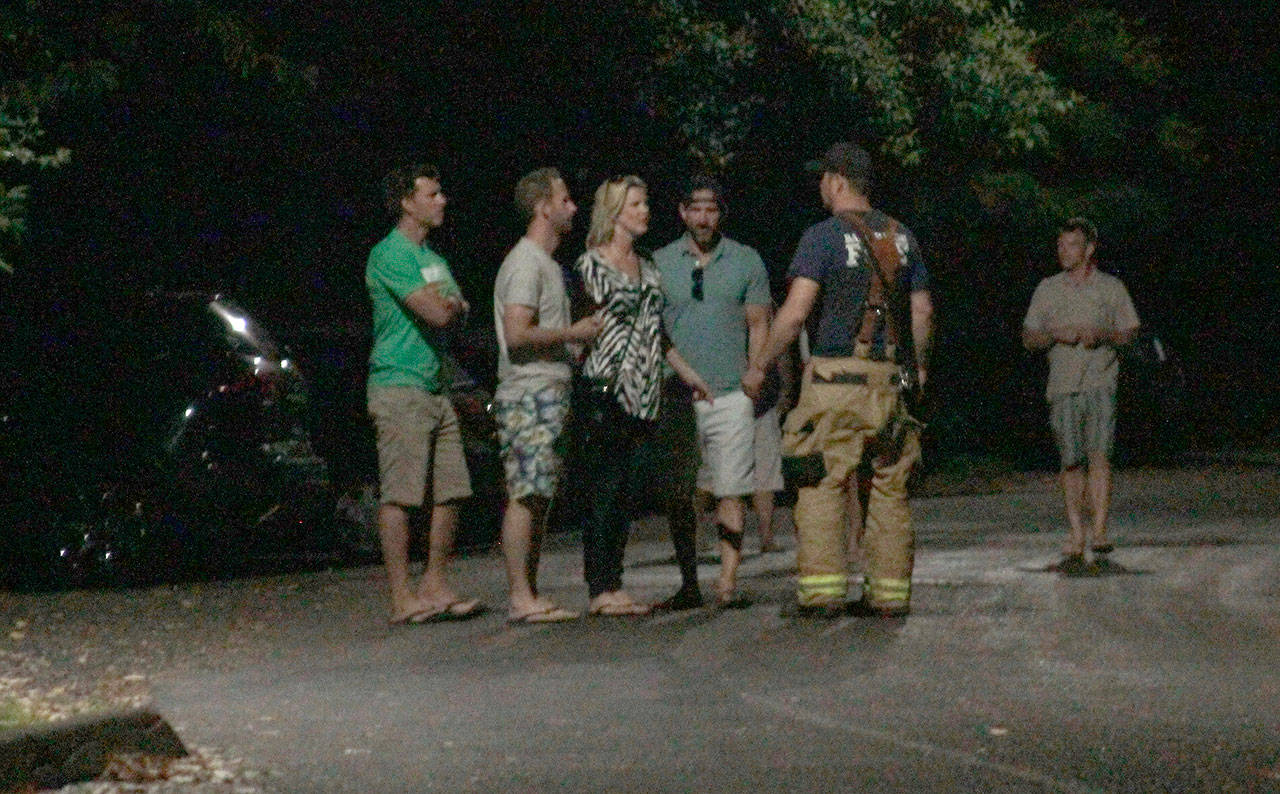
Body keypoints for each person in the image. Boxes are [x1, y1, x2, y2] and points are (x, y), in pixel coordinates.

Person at [743, 141, 933, 618]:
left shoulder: (822, 237)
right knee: (888, 486)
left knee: (821, 481)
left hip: (836, 381)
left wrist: (760, 363)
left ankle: (823, 593)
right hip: (889, 381)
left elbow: (794, 315)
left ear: (838, 181)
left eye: (823, 179)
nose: (820, 187)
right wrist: (917, 369)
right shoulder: (904, 237)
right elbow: (922, 310)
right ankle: (889, 596)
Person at [575, 175, 713, 617]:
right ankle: (601, 586)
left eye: (645, 202)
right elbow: (579, 327)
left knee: (627, 490)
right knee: (605, 487)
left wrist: (688, 374)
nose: (644, 211)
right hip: (606, 386)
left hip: (644, 392)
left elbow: (657, 331)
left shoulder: (648, 264)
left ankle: (613, 582)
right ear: (614, 211)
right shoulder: (592, 264)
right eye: (635, 204)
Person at [365, 163, 483, 624]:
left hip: (436, 385)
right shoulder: (389, 254)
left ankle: (434, 583)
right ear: (406, 202)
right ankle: (401, 596)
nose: (442, 200)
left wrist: (448, 305)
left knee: (451, 490)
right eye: (432, 194)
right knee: (401, 494)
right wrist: (448, 305)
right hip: (399, 384)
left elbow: (460, 308)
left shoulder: (431, 257)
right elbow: (439, 312)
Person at [654, 174, 772, 606]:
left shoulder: (745, 259)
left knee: (731, 488)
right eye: (696, 210)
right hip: (678, 395)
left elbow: (759, 322)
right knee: (681, 492)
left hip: (730, 392)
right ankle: (689, 582)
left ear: (721, 213)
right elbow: (654, 329)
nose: (704, 218)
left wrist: (755, 373)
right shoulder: (661, 262)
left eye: (711, 209)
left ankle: (726, 582)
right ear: (683, 213)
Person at [493, 168, 603, 623]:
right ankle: (521, 597)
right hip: (529, 391)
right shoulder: (526, 263)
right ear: (542, 207)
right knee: (527, 491)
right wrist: (572, 333)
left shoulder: (547, 264)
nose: (573, 207)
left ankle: (529, 592)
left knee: (539, 493)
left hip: (546, 387)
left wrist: (572, 345)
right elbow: (518, 334)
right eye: (564, 200)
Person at [1022, 217, 1140, 574]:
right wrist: (1055, 334)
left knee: (1099, 455)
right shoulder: (1047, 289)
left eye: (1072, 245)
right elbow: (1029, 337)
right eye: (1060, 245)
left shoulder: (1111, 287)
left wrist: (1102, 334)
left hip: (1100, 380)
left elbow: (1130, 332)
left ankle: (1099, 531)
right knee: (1071, 461)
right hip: (1062, 385)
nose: (1063, 251)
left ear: (1089, 249)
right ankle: (1076, 532)